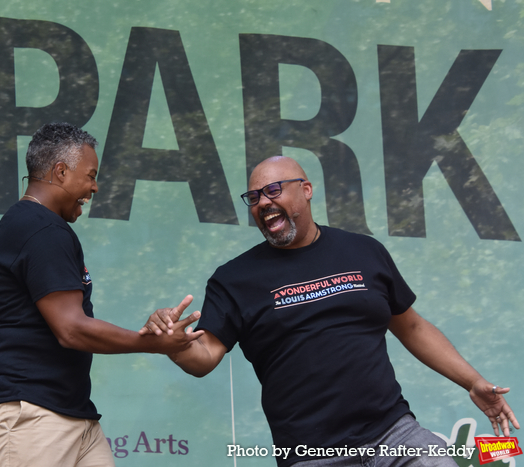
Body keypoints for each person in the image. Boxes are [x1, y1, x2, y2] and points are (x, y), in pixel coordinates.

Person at [141, 155, 519, 467]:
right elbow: (204, 355)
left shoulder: (363, 252)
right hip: (312, 452)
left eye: (273, 190)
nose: (263, 202)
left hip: (393, 432)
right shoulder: (235, 278)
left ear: (305, 191)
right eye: (254, 197)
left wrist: (473, 381)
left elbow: (413, 327)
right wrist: (174, 345)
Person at [0, 122, 203, 467]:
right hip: (29, 413)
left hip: (71, 414)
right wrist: (152, 343)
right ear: (60, 172)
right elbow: (71, 328)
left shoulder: (36, 226)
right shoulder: (41, 227)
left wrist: (150, 331)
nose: (94, 187)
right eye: (90, 175)